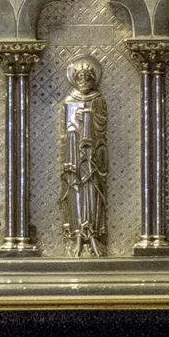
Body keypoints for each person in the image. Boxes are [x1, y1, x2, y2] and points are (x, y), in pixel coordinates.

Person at [60, 56, 108, 257]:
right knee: (75, 189)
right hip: (74, 154)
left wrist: (91, 116)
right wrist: (74, 125)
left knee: (93, 190)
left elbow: (102, 125)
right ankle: (78, 232)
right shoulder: (69, 101)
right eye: (80, 78)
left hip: (93, 155)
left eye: (87, 78)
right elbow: (66, 129)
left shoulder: (98, 100)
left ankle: (93, 232)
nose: (84, 81)